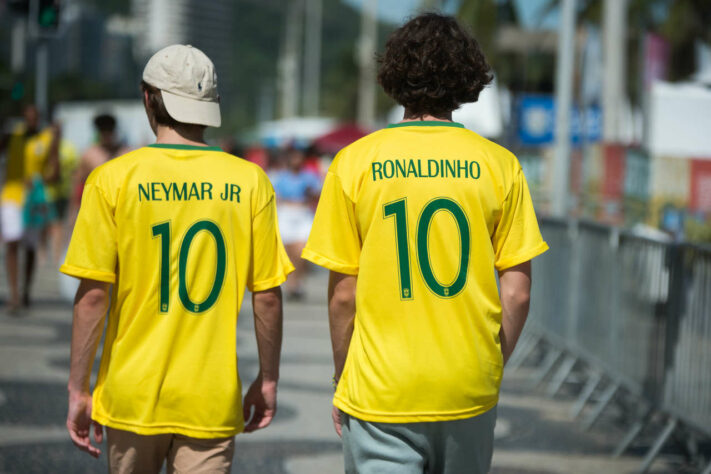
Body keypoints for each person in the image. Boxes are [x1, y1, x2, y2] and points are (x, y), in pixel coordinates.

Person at [302, 13, 549, 474]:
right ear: (466, 75)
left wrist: (343, 378)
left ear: (393, 74)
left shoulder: (354, 163)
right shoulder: (500, 165)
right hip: (466, 384)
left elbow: (343, 295)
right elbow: (517, 292)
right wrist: (489, 369)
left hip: (380, 388)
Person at [61, 44, 293, 473]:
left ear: (149, 98)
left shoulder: (112, 179)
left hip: (132, 393)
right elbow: (267, 296)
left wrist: (78, 389)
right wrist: (268, 378)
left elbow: (93, 296)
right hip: (211, 394)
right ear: (211, 105)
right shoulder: (249, 181)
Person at [0, 105, 42, 311]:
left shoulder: (46, 139)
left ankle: (26, 290)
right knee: (12, 241)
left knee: (30, 247)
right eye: (27, 118)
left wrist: (39, 181)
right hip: (11, 195)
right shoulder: (12, 136)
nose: (30, 122)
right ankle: (14, 294)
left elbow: (54, 172)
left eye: (34, 118)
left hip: (34, 199)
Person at [270, 146, 321, 299]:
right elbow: (276, 197)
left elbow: (317, 194)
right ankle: (292, 283)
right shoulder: (281, 177)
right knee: (289, 251)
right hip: (286, 213)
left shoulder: (309, 176)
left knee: (301, 250)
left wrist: (310, 192)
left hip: (303, 213)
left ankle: (297, 281)